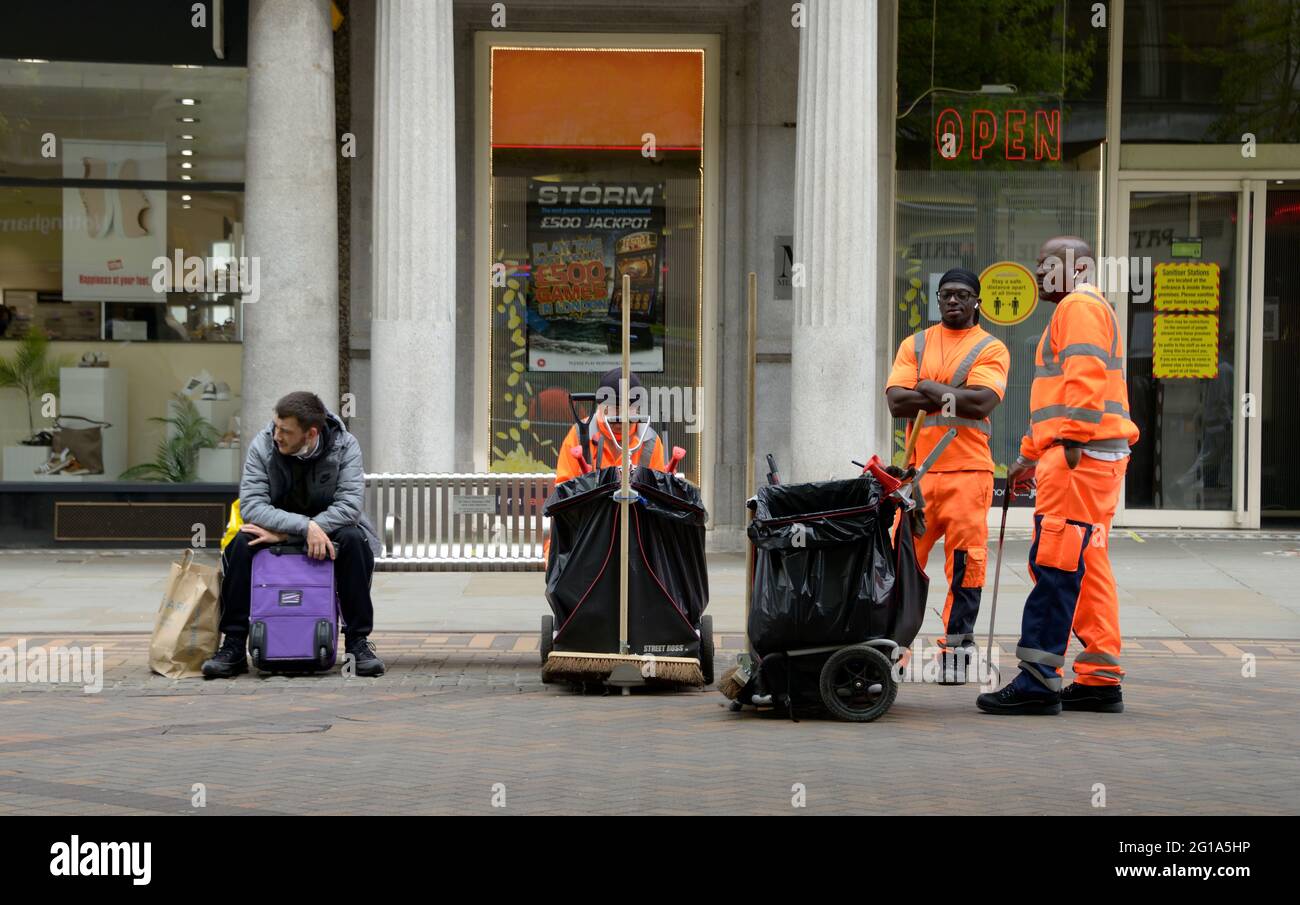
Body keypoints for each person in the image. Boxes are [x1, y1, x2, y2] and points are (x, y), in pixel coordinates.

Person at [978, 236, 1139, 715]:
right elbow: (1061, 393)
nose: (1038, 271)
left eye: (1047, 263)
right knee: (1087, 563)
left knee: (1057, 561)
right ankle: (1098, 678)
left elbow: (1085, 380)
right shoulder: (1080, 307)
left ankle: (1038, 679)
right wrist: (1031, 454)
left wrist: (1068, 443)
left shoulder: (1078, 307)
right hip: (1090, 456)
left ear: (1077, 267)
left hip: (1079, 459)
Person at [202, 391, 385, 678]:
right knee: (240, 544)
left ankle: (357, 643)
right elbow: (252, 506)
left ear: (310, 433)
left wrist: (296, 535)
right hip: (276, 529)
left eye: (285, 431)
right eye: (276, 427)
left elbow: (349, 507)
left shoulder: (345, 446)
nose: (277, 435)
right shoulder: (263, 445)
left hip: (329, 530)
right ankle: (234, 645)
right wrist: (305, 528)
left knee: (354, 541)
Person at [886, 267, 1010, 682]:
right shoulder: (916, 343)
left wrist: (927, 386)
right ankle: (891, 652)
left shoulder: (990, 348)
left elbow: (980, 404)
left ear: (977, 301)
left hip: (969, 475)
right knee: (901, 564)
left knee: (965, 566)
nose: (952, 301)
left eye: (961, 295)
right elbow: (896, 403)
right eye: (945, 295)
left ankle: (955, 656)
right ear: (937, 300)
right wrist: (950, 394)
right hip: (918, 479)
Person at [553, 367, 667, 483]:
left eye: (628, 410)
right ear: (600, 407)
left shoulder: (650, 441)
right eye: (616, 410)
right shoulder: (579, 434)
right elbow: (563, 487)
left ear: (637, 409)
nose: (621, 419)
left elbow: (659, 490)